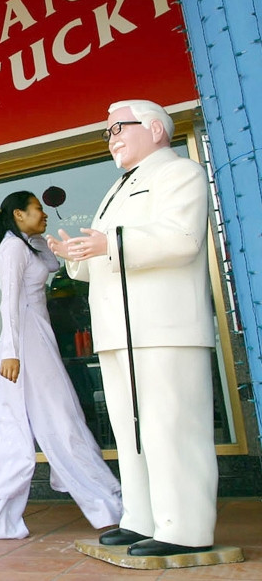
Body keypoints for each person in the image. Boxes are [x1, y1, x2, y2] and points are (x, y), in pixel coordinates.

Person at [46, 100, 217, 557]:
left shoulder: (179, 174)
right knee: (132, 430)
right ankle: (142, 518)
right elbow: (103, 256)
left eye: (119, 127)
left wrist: (110, 242)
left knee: (171, 426)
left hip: (164, 326)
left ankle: (185, 526)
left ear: (156, 129)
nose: (112, 137)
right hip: (118, 331)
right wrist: (77, 253)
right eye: (107, 132)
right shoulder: (117, 188)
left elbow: (182, 241)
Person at [0, 191, 122, 540]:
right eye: (37, 209)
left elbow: (53, 265)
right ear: (18, 214)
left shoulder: (24, 243)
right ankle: (106, 503)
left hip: (38, 336)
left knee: (57, 417)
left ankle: (104, 502)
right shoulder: (11, 248)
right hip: (24, 341)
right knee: (59, 418)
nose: (44, 213)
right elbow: (7, 303)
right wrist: (9, 351)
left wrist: (41, 238)